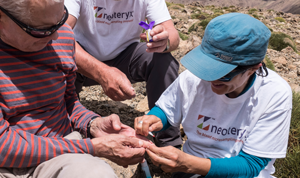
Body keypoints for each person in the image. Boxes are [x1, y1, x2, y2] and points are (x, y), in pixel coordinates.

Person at [0, 0, 151, 177]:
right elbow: (4, 147)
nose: (56, 36)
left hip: (60, 152)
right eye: (41, 30)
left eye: (61, 19)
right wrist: (93, 147)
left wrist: (92, 125)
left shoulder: (63, 37)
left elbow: (68, 102)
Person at [135, 13, 292, 178]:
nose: (211, 79)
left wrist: (188, 164)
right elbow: (167, 110)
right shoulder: (192, 78)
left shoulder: (275, 94)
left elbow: (250, 165)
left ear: (254, 68)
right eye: (206, 67)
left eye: (223, 74)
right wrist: (154, 118)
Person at [64, 0, 183, 148]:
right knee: (57, 57)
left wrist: (164, 42)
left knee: (164, 60)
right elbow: (60, 36)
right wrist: (103, 73)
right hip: (82, 60)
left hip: (126, 56)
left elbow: (173, 36)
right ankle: (60, 126)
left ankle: (169, 146)